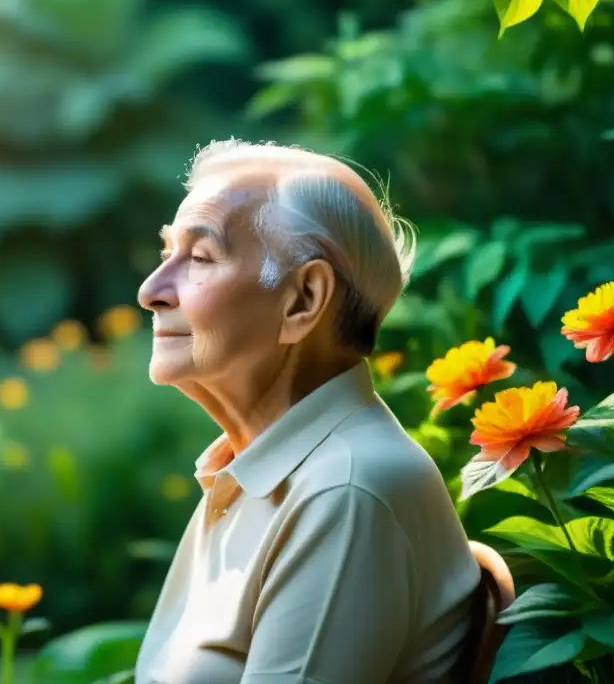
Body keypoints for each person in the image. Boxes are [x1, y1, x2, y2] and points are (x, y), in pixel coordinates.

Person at [133, 140, 481, 684]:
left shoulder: (345, 491)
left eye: (199, 257)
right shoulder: (258, 474)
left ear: (302, 299)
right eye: (165, 256)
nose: (150, 291)